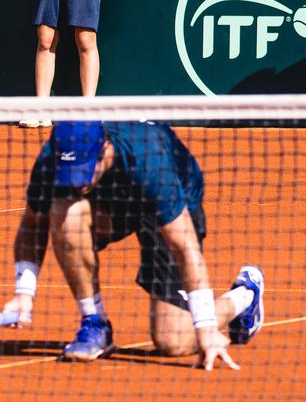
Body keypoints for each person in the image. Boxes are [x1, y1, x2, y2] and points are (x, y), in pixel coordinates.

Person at [2, 121, 265, 370]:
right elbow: (32, 224)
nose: (78, 182)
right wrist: (24, 292)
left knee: (174, 341)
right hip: (112, 203)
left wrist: (206, 326)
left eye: (85, 169)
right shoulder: (54, 157)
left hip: (171, 203)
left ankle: (245, 295)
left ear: (105, 149)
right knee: (64, 211)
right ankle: (95, 323)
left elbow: (185, 248)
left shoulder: (149, 161)